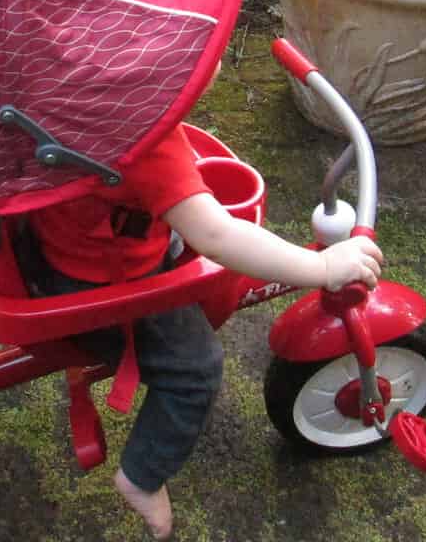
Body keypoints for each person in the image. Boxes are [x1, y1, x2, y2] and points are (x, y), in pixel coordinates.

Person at [29, 85, 383, 542]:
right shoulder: (148, 134)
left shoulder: (73, 91)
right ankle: (140, 475)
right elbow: (217, 236)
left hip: (68, 241)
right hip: (103, 288)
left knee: (179, 226)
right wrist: (323, 265)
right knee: (196, 371)